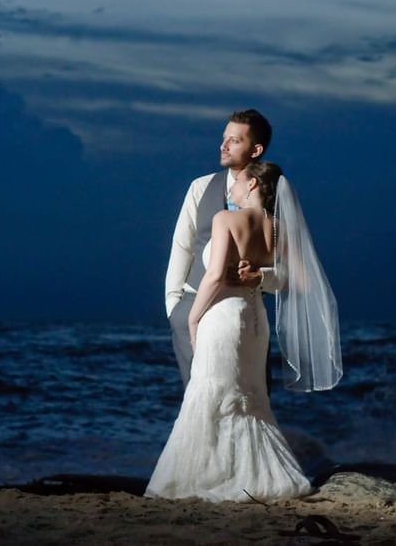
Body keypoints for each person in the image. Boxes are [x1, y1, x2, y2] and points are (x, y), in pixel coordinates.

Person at [144, 161, 342, 503]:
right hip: (255, 322)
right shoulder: (278, 227)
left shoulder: (225, 220)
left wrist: (192, 317)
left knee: (209, 395)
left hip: (222, 317)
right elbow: (302, 281)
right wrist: (261, 276)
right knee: (251, 399)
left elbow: (216, 275)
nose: (231, 187)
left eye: (238, 181)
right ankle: (262, 476)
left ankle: (203, 478)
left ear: (252, 185)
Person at [165, 110, 282, 390]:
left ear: (256, 149)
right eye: (223, 138)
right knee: (200, 405)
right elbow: (182, 247)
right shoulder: (200, 187)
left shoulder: (275, 200)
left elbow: (293, 271)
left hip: (244, 316)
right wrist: (174, 308)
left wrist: (261, 277)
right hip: (192, 309)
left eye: (234, 140)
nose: (224, 145)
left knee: (249, 403)